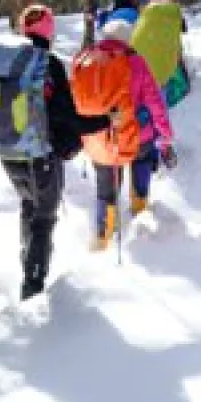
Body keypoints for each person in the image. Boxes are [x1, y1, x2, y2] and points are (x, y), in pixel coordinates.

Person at [0, 4, 107, 299]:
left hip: (5, 150)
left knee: (29, 205)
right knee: (44, 216)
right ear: (50, 32)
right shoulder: (47, 64)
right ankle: (33, 287)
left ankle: (27, 260)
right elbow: (68, 116)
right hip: (40, 156)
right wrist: (104, 121)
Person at [79, 16, 175, 250]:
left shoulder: (88, 60)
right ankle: (139, 207)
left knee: (106, 184)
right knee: (142, 159)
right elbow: (155, 103)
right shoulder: (136, 62)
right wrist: (166, 136)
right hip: (136, 134)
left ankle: (103, 235)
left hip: (100, 136)